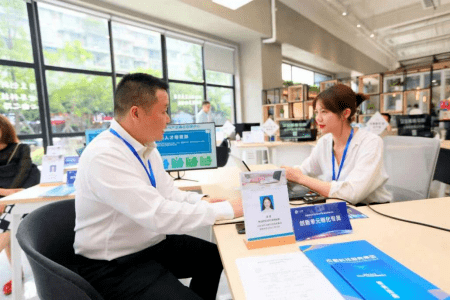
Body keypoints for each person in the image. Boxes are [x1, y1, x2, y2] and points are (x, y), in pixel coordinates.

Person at [73, 73, 243, 300]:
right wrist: (229, 209)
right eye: (163, 111)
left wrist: (202, 201)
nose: (168, 119)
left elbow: (168, 193)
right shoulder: (104, 156)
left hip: (151, 244)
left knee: (215, 255)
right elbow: (157, 214)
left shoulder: (146, 148)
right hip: (114, 264)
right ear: (136, 113)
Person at [282, 84, 392, 206]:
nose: (318, 118)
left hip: (372, 209)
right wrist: (284, 173)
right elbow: (305, 170)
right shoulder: (324, 142)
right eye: (316, 112)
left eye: (324, 112)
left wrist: (299, 178)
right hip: (340, 207)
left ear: (345, 113)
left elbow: (352, 194)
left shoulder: (371, 142)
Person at [0, 115, 39, 295]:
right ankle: (18, 274)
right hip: (5, 201)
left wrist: (6, 198)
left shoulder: (21, 149)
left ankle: (18, 275)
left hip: (23, 199)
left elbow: (22, 178)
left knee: (6, 223)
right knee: (7, 225)